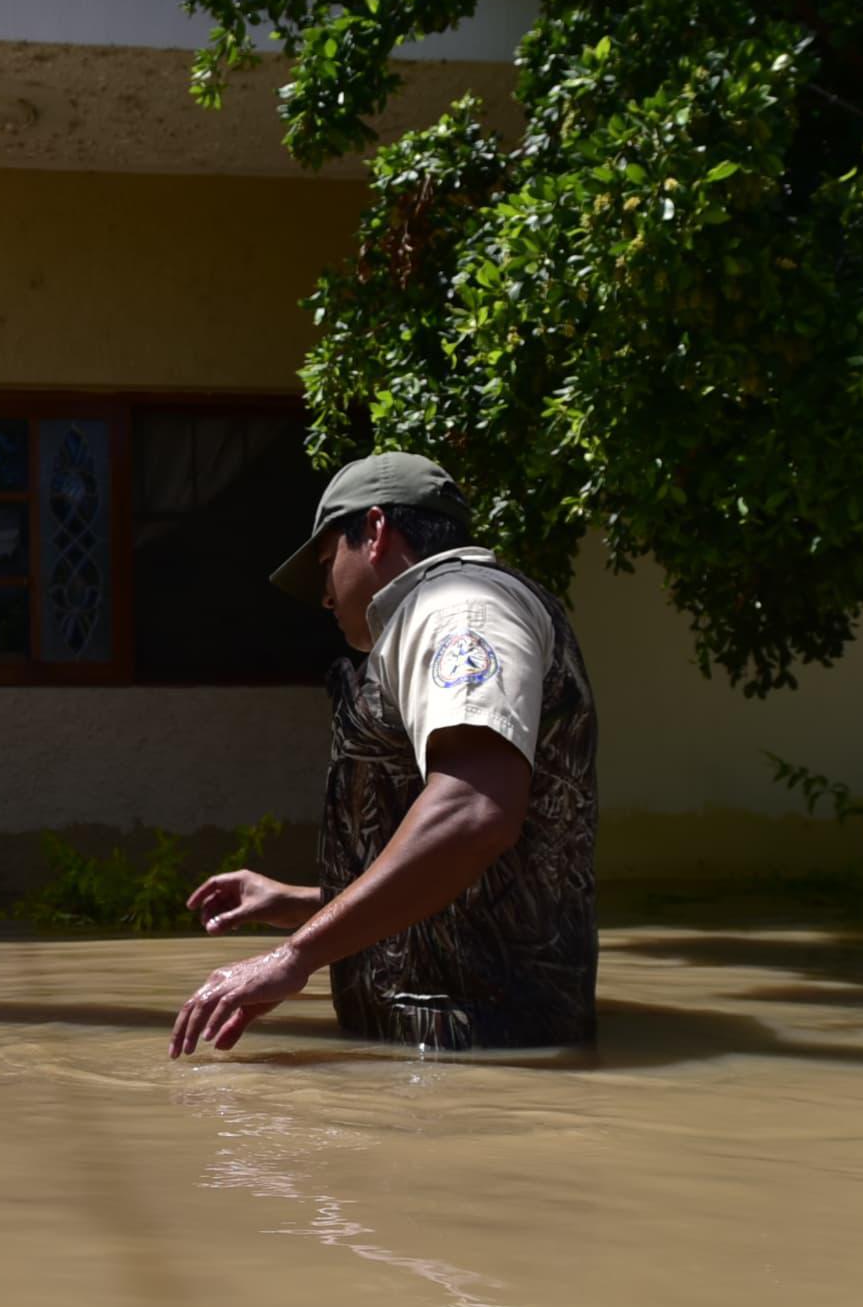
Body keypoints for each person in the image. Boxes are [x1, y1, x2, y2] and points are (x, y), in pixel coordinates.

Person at [168, 452, 599, 1055]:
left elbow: (472, 812)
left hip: (478, 1053)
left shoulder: (457, 611)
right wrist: (303, 905)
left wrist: (295, 958)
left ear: (373, 533)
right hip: (459, 1047)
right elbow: (479, 882)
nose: (324, 596)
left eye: (325, 564)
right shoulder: (440, 616)